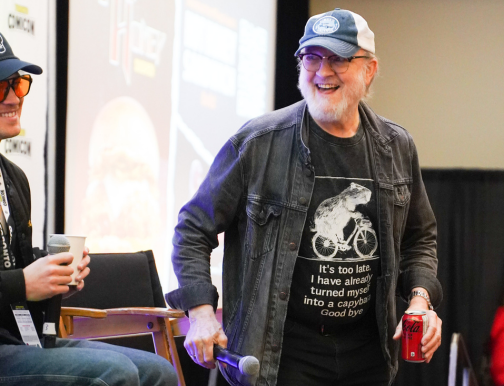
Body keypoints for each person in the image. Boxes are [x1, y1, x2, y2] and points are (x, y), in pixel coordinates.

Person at [167, 8, 443, 386]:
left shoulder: (396, 147)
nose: (322, 71)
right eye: (311, 57)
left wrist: (419, 302)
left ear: (369, 70)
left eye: (339, 58)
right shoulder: (258, 143)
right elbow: (193, 229)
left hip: (369, 353)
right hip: (281, 353)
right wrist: (199, 312)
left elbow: (419, 238)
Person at [0, 32, 178, 386]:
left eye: (18, 84)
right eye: (0, 87)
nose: (13, 98)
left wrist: (56, 281)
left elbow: (18, 281)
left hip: (19, 342)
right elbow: (17, 282)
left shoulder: (14, 178)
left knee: (160, 371)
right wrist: (23, 283)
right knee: (117, 373)